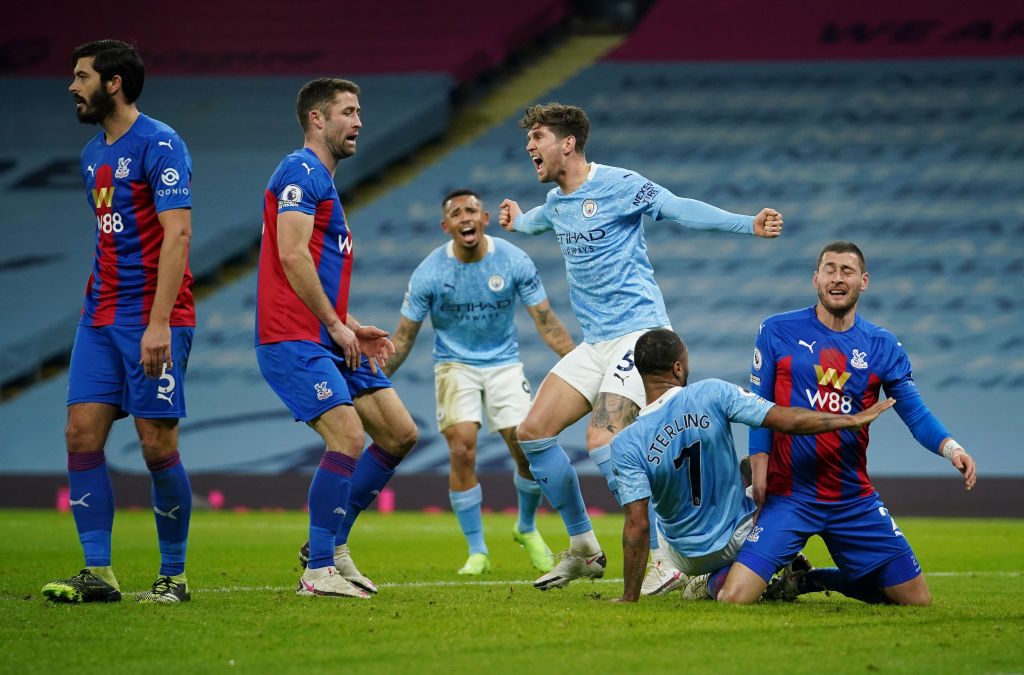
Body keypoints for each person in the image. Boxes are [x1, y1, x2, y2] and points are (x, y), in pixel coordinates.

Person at [498, 102, 783, 590]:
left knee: (601, 440)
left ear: (568, 143)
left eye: (538, 137)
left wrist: (746, 222)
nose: (529, 146)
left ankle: (660, 555)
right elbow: (538, 222)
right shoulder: (557, 203)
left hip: (640, 334)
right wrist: (517, 219)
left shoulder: (620, 184)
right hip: (595, 342)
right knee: (533, 432)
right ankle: (585, 548)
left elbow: (678, 209)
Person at [717, 241, 977, 605]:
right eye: (830, 270)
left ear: (863, 281)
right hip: (791, 493)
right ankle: (718, 574)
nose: (837, 279)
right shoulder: (776, 330)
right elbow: (760, 408)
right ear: (816, 279)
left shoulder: (882, 345)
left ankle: (806, 580)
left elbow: (915, 414)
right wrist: (759, 465)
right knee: (733, 599)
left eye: (847, 271)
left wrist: (952, 449)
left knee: (917, 602)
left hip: (851, 498)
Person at [41, 40, 196, 604]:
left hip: (154, 317)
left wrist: (158, 323)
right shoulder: (90, 155)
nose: (71, 86)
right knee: (80, 435)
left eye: (81, 76)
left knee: (156, 444)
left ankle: (173, 576)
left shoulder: (161, 143)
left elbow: (177, 234)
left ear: (114, 83)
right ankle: (98, 572)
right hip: (99, 317)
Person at [256, 78, 418, 599]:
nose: (359, 121)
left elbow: (316, 270)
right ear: (317, 119)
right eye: (349, 111)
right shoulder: (301, 171)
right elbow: (292, 254)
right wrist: (334, 324)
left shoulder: (324, 183)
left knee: (399, 433)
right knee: (347, 436)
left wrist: (350, 322)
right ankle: (318, 571)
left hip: (328, 332)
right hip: (293, 336)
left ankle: (332, 545)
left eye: (359, 111)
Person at [610, 329, 894, 602]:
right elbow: (785, 419)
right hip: (739, 536)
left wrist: (629, 596)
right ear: (678, 368)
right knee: (764, 466)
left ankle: (712, 580)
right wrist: (851, 420)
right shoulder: (711, 393)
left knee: (673, 501)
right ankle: (782, 562)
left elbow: (637, 524)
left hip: (680, 554)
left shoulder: (625, 443)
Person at [385, 189, 575, 574]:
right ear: (447, 227)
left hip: (504, 363)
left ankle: (525, 527)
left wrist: (579, 365)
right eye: (456, 213)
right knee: (461, 450)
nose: (465, 217)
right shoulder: (429, 272)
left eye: (471, 210)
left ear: (485, 218)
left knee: (525, 447)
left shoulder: (513, 260)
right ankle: (477, 550)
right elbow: (403, 338)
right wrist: (369, 381)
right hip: (454, 365)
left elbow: (547, 321)